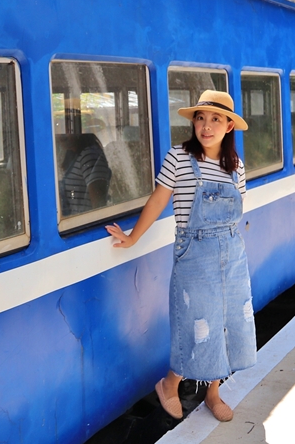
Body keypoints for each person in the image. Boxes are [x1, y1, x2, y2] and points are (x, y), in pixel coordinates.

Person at [106, 90, 256, 422]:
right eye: (201, 118)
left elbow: (237, 210)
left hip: (231, 252)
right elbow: (159, 200)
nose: (206, 126)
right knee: (195, 324)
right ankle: (170, 383)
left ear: (229, 126)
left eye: (216, 119)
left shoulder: (236, 166)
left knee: (227, 322)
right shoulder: (179, 157)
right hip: (195, 251)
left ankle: (213, 393)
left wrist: (235, 245)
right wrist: (133, 237)